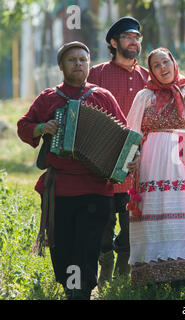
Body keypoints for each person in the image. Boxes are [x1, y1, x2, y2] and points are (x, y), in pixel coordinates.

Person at [17, 41, 128, 300]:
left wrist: (130, 160)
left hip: (96, 188)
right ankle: (72, 287)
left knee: (87, 247)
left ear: (89, 64)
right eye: (72, 60)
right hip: (61, 189)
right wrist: (41, 128)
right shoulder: (49, 97)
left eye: (83, 60)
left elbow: (124, 136)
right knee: (63, 248)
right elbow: (24, 125)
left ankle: (81, 292)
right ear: (61, 66)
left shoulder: (103, 96)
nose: (78, 64)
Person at [126, 47, 185, 288]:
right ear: (151, 71)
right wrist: (132, 157)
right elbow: (132, 132)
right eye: (156, 65)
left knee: (183, 212)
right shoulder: (144, 97)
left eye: (166, 62)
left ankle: (184, 272)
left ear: (174, 63)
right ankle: (151, 275)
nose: (163, 68)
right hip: (150, 164)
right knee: (152, 213)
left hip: (182, 165)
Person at [87, 16, 149, 286]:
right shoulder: (97, 74)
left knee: (130, 222)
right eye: (127, 37)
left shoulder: (148, 77)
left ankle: (123, 277)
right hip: (101, 159)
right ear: (114, 42)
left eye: (137, 37)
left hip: (137, 161)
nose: (134, 41)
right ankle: (104, 268)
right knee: (101, 221)